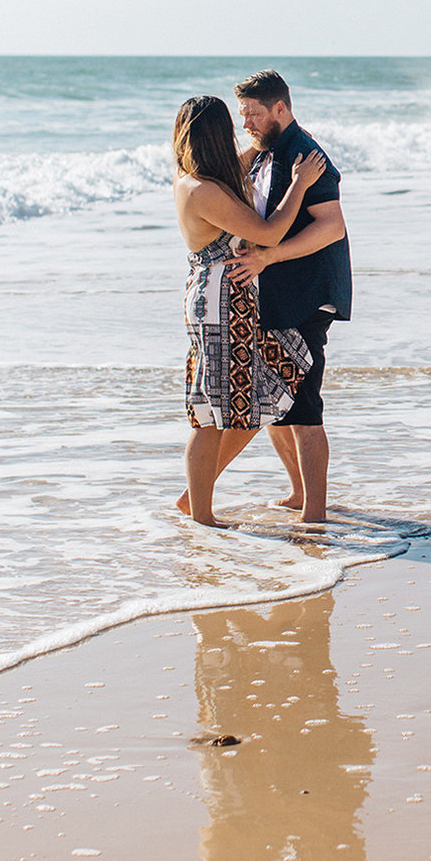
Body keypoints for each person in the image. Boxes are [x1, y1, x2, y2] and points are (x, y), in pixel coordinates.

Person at [170, 94, 326, 526]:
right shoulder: (205, 191)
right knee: (212, 415)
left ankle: (195, 501)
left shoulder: (195, 179)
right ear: (217, 135)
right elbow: (270, 232)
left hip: (222, 299)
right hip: (223, 305)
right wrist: (300, 182)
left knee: (263, 390)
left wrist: (269, 141)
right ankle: (200, 514)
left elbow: (237, 169)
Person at [223, 70, 352, 524]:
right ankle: (300, 492)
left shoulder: (307, 156)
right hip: (275, 293)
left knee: (303, 406)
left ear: (281, 108)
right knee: (278, 403)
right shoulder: (267, 151)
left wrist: (268, 258)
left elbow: (332, 226)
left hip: (308, 295)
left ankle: (314, 513)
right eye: (243, 115)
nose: (248, 123)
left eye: (254, 114)